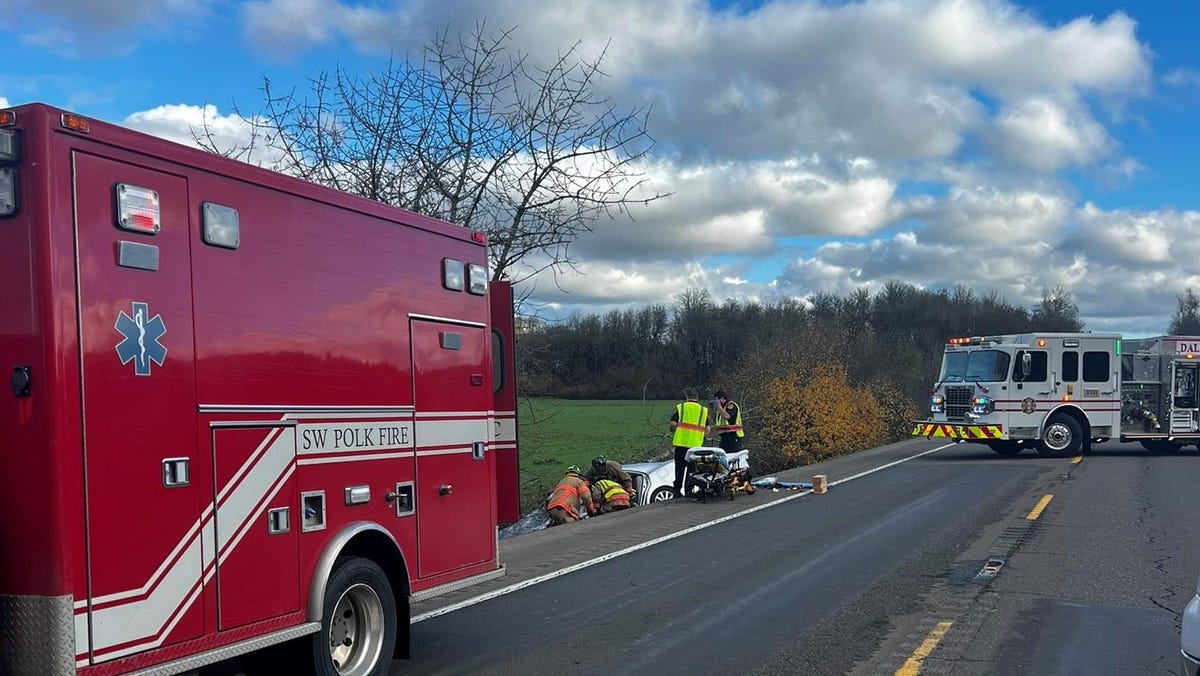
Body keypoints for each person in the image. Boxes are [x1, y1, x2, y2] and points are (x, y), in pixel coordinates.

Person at [669, 388, 709, 496]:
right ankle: (689, 490)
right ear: (697, 398)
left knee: (679, 469)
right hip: (695, 446)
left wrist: (673, 430)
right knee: (691, 469)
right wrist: (702, 437)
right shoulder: (703, 411)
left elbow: (673, 424)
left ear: (687, 397)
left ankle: (677, 491)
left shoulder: (681, 407)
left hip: (681, 444)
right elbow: (707, 429)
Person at [711, 390, 744, 455]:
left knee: (732, 456)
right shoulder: (721, 408)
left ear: (722, 398)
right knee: (723, 455)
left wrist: (718, 406)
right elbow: (720, 422)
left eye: (717, 399)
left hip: (734, 436)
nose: (716, 402)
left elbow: (727, 416)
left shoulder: (731, 405)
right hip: (725, 437)